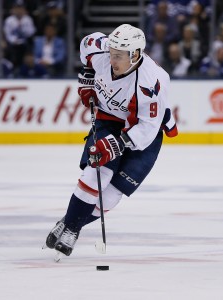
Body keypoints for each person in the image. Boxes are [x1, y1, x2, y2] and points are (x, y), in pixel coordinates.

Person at [45, 24, 178, 257]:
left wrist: (116, 144)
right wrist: (87, 76)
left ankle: (68, 221)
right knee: (97, 172)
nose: (112, 59)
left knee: (112, 195)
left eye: (118, 56)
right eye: (111, 53)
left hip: (144, 131)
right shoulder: (102, 51)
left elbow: (147, 128)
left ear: (135, 55)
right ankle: (72, 230)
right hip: (109, 119)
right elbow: (87, 44)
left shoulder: (151, 82)